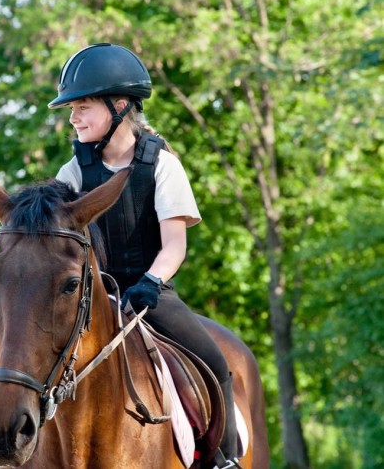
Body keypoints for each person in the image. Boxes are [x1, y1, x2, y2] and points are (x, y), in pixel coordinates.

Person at [49, 43, 239, 468]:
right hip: (91, 295)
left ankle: (222, 459)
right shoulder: (73, 173)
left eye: (81, 107)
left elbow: (175, 245)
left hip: (149, 292)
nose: (72, 118)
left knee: (214, 360)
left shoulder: (162, 166)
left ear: (119, 106)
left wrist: (151, 283)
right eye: (71, 110)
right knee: (5, 354)